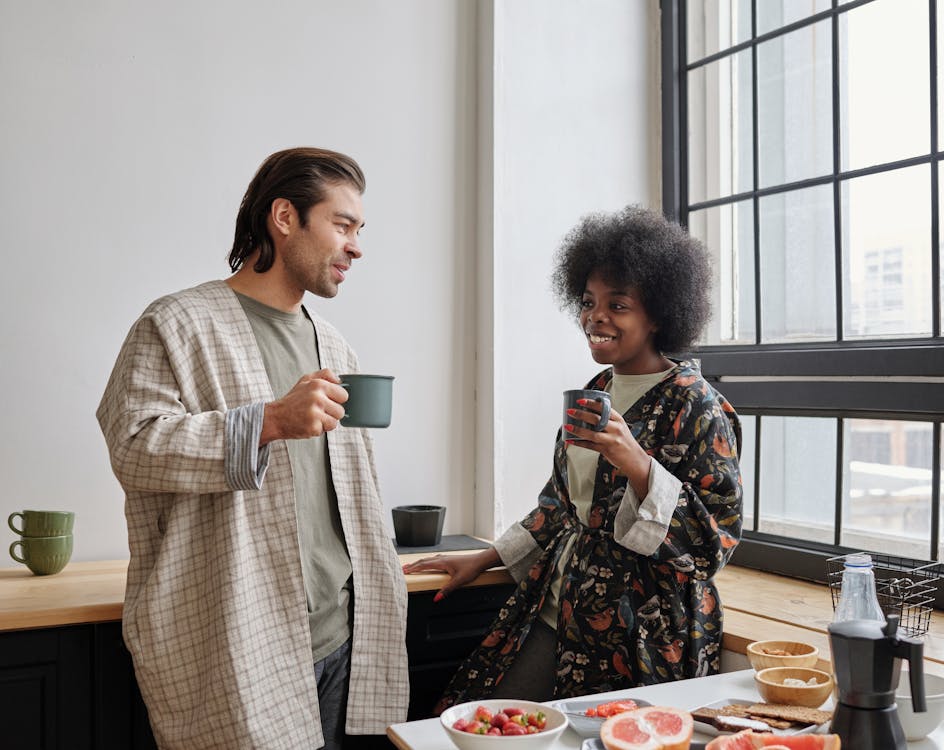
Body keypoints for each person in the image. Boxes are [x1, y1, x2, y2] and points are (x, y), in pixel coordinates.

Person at [96, 147, 407, 750]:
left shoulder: (335, 346)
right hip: (241, 640)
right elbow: (133, 446)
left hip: (344, 637)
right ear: (285, 217)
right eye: (342, 225)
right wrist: (266, 421)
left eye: (359, 230)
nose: (357, 246)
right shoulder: (177, 324)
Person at [403, 205, 743, 709]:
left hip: (645, 631)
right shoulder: (597, 390)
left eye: (618, 304)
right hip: (560, 603)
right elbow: (560, 506)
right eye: (589, 302)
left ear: (658, 315)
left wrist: (637, 463)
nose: (595, 317)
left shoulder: (696, 404)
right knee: (479, 719)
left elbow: (714, 543)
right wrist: (482, 559)